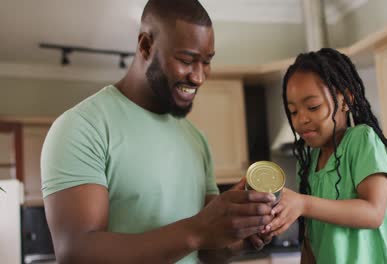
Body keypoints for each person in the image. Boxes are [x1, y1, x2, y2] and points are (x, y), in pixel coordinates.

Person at [41, 1, 274, 263]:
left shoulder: (196, 138)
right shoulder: (82, 127)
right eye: (187, 60)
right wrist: (198, 229)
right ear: (145, 46)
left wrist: (240, 235)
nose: (198, 77)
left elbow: (209, 251)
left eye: (206, 62)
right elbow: (76, 253)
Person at [265, 48, 387, 263]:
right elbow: (311, 239)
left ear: (344, 100)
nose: (301, 119)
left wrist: (304, 203)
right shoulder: (308, 162)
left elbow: (373, 212)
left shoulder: (362, 139)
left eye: (313, 107)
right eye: (293, 111)